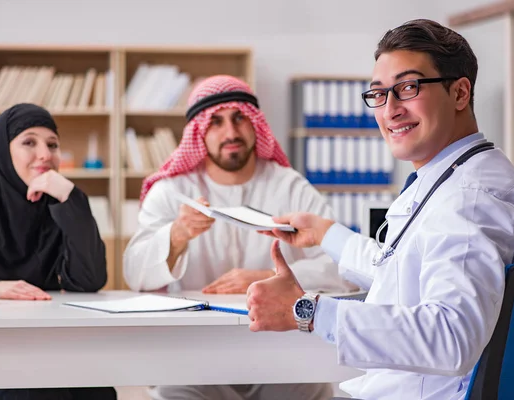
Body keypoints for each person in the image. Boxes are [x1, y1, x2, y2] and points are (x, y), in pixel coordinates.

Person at [245, 19, 514, 400]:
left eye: (408, 88)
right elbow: (402, 270)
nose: (390, 110)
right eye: (379, 93)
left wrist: (305, 310)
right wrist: (327, 234)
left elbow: (450, 336)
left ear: (459, 93)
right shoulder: (460, 174)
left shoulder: (469, 200)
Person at [124, 75, 351, 399]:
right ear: (198, 132)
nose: (230, 133)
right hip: (193, 358)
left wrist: (268, 279)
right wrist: (175, 236)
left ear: (254, 123)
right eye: (215, 122)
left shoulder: (289, 186)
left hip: (281, 356)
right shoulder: (172, 191)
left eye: (239, 118)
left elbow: (342, 267)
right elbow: (135, 276)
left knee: (314, 388)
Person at [0, 103, 115, 400]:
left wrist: (71, 198)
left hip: (44, 338)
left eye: (52, 144)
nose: (45, 154)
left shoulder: (60, 204)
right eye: (29, 142)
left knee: (98, 392)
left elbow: (89, 279)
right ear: (3, 150)